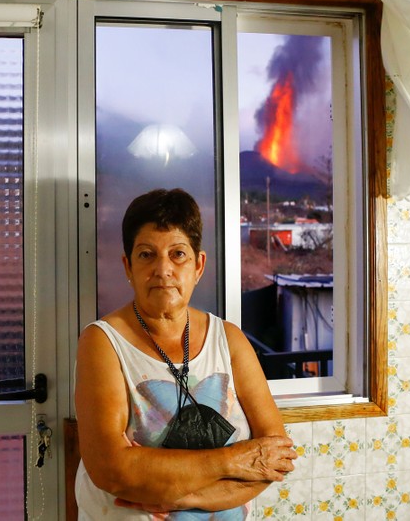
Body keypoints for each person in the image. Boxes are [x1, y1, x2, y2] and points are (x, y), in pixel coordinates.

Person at [74, 188, 297, 519]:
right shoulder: (103, 342)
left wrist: (179, 498)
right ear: (128, 266)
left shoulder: (229, 340)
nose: (163, 270)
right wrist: (233, 460)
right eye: (147, 255)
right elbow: (111, 469)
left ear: (198, 265)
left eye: (178, 254)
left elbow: (275, 457)